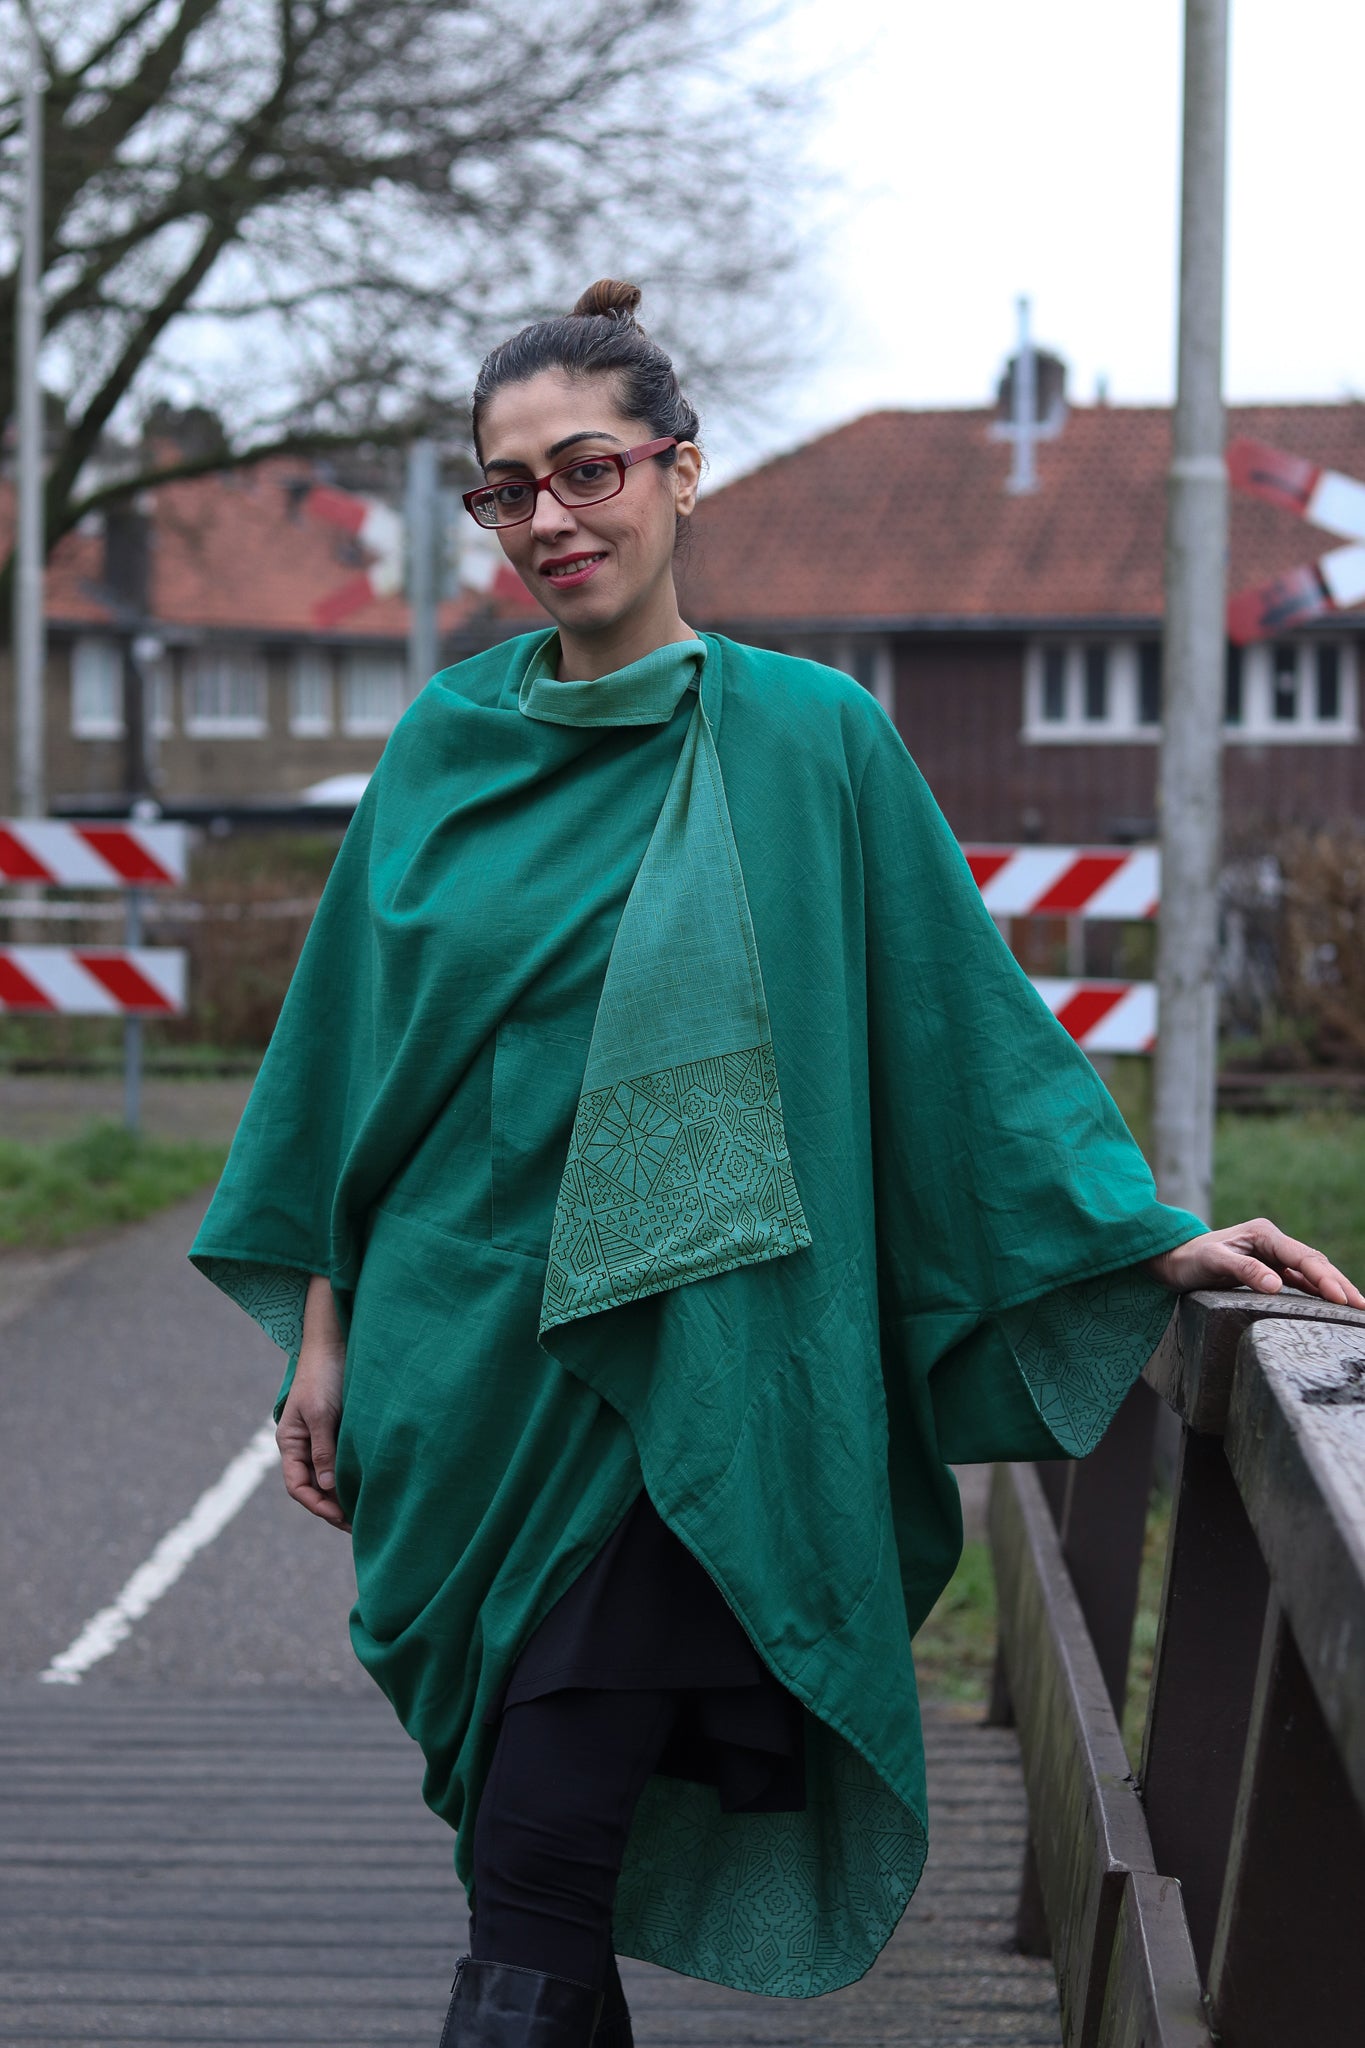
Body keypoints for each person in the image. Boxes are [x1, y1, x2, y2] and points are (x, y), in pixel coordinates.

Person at [191, 280, 1362, 2048]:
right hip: (457, 1373)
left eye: (587, 470)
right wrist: (326, 1334)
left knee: (540, 1851)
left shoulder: (814, 740)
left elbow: (959, 1027)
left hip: (702, 1370)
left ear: (679, 472)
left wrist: (1139, 1238)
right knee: (526, 1855)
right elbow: (344, 1062)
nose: (548, 518)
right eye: (507, 489)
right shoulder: (442, 745)